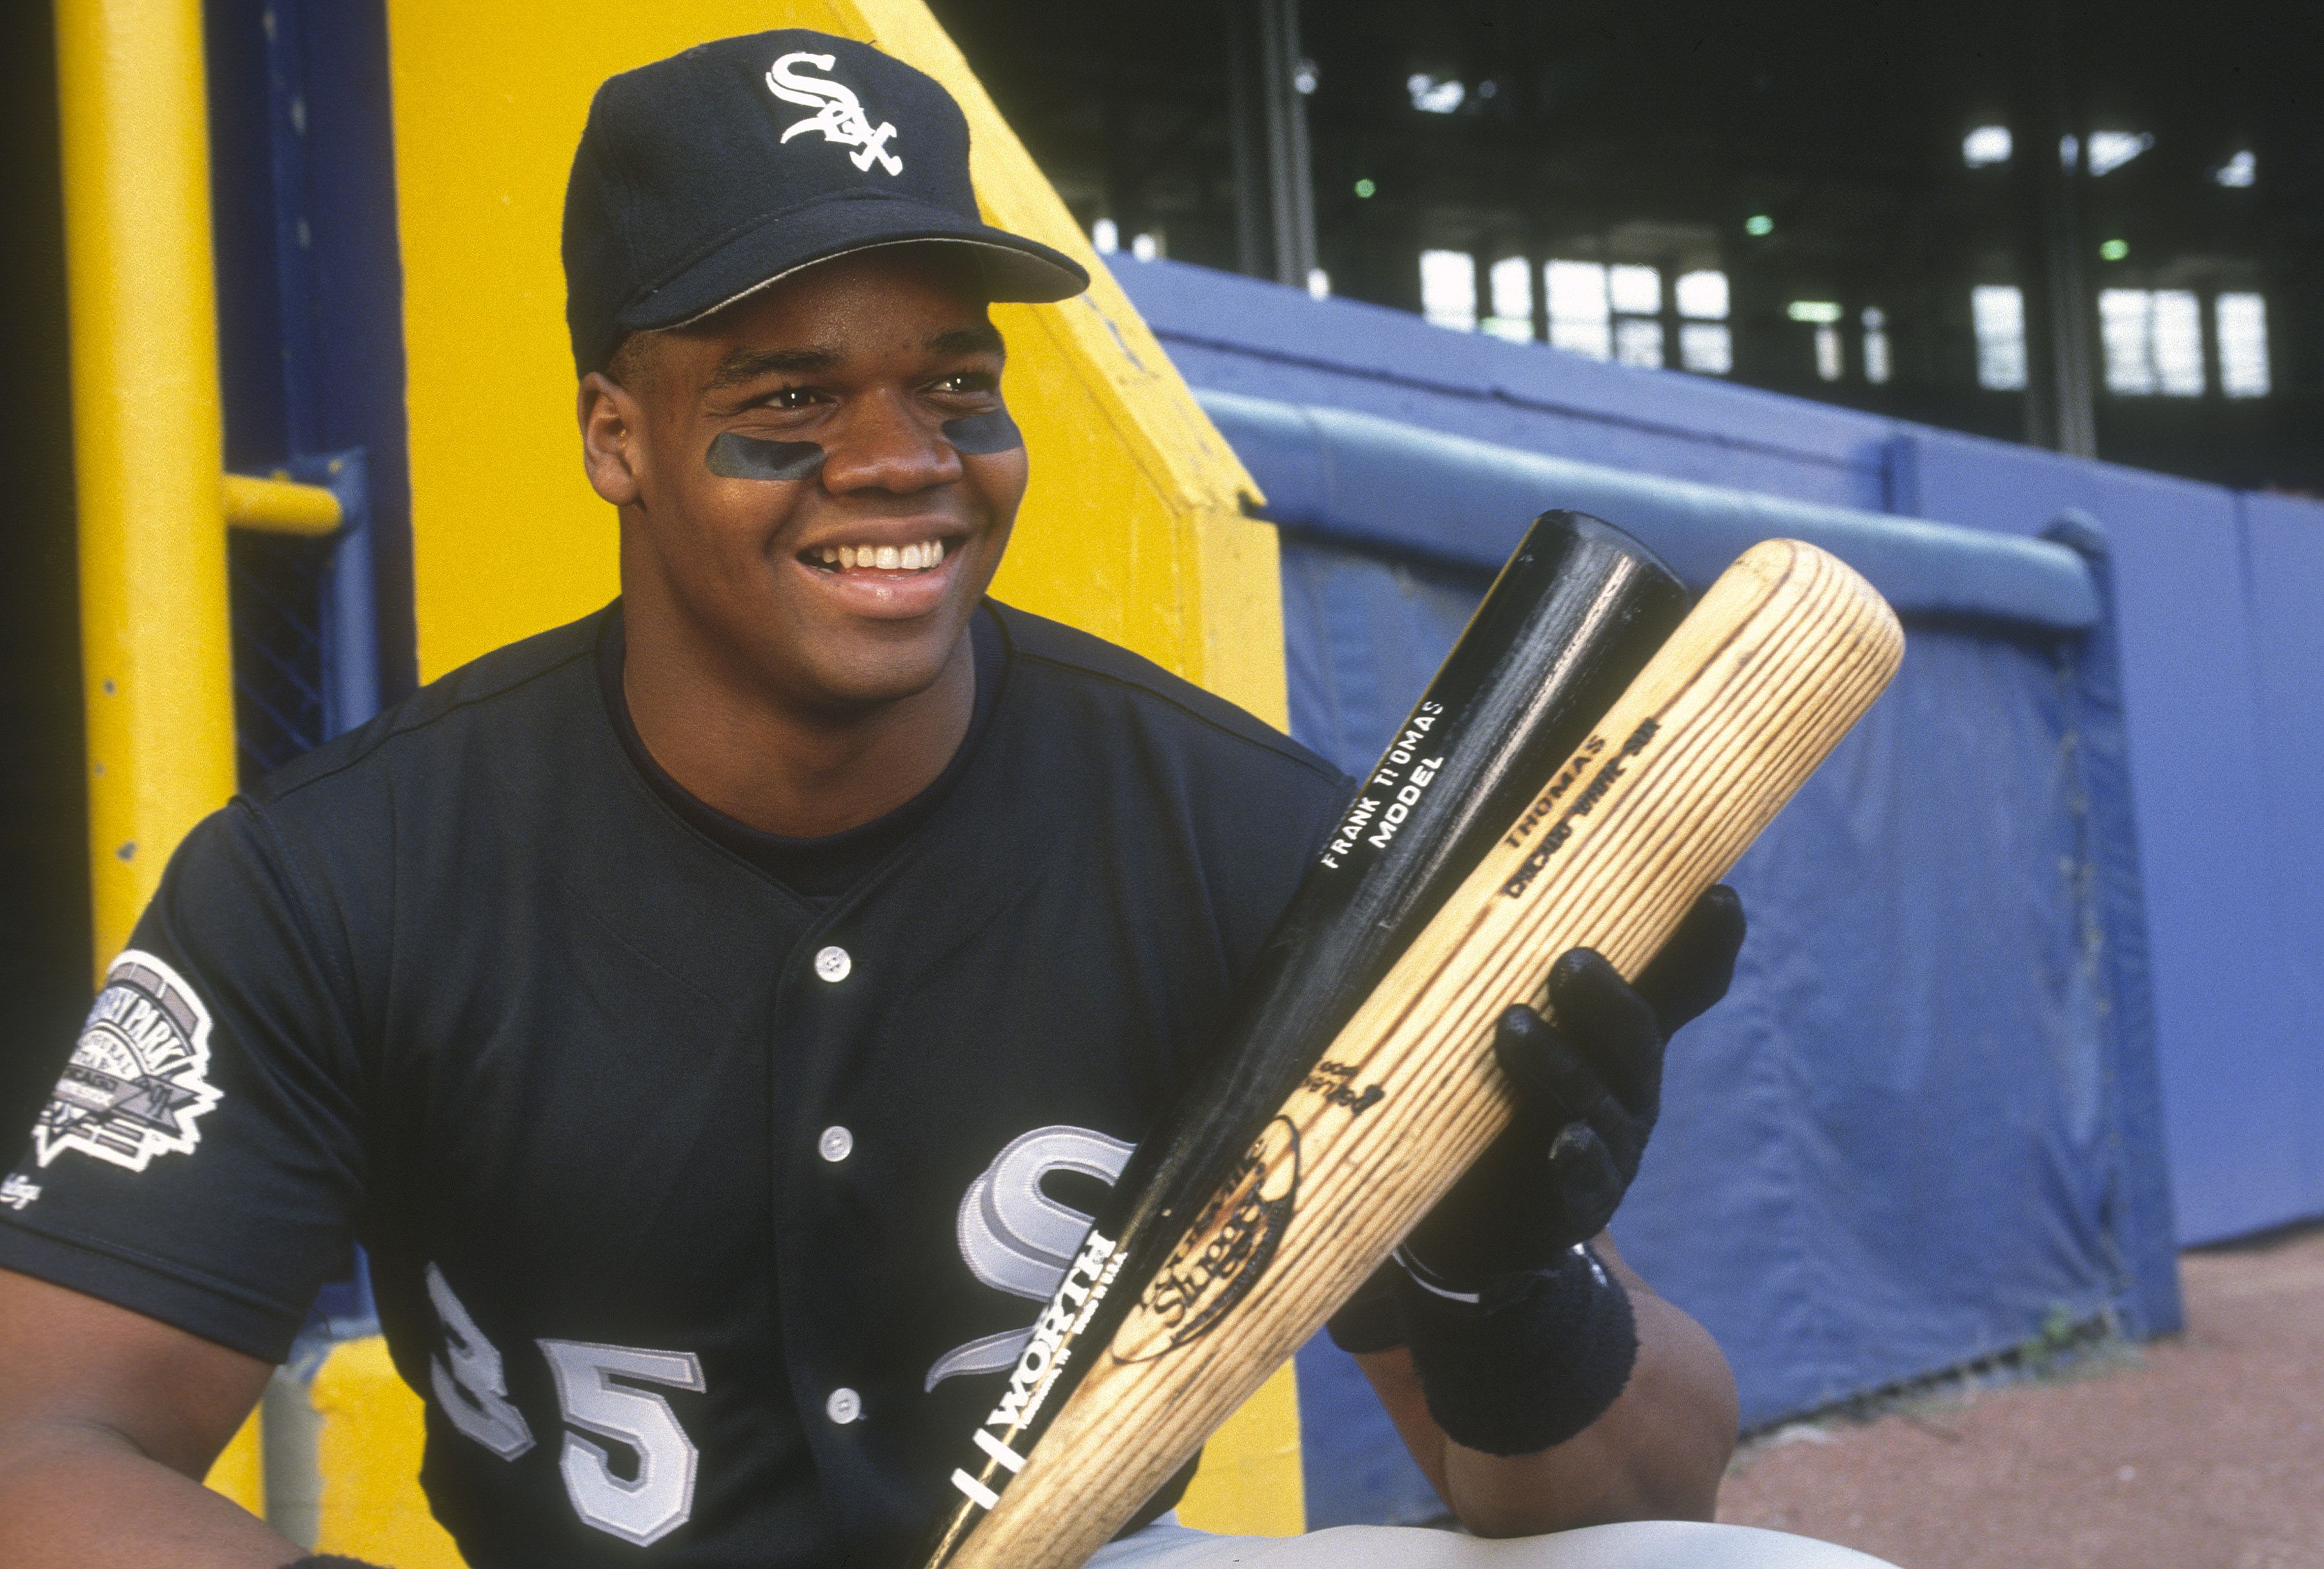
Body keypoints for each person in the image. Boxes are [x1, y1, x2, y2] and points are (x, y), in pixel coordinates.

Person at [0, 31, 1887, 1569]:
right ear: (616, 437)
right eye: (790, 399)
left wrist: (1504, 1276)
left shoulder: (1229, 830)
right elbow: (40, 1447)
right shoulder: (343, 876)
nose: (902, 463)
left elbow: (1635, 1501)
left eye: (957, 386)